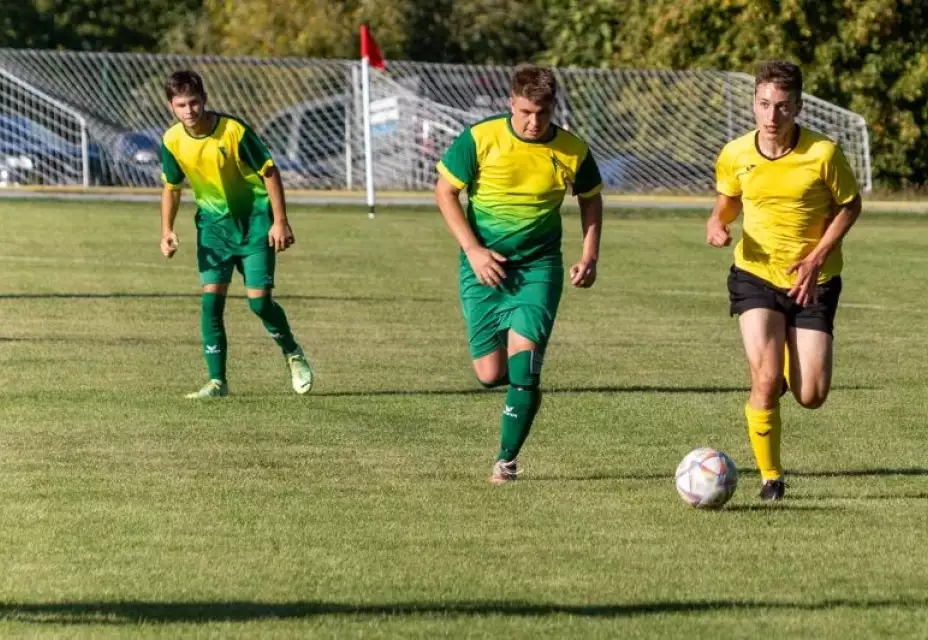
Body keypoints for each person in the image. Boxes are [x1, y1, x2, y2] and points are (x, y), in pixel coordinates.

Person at [434, 64, 604, 484]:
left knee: (525, 369)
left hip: (538, 267)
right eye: (526, 111)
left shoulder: (572, 150)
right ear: (511, 103)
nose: (533, 122)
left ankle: (506, 462)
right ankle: (519, 383)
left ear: (553, 108)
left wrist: (589, 254)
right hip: (483, 269)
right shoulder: (480, 139)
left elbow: (590, 200)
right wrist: (473, 250)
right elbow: (444, 191)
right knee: (490, 374)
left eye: (542, 113)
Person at [706, 60, 862, 500]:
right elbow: (727, 201)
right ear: (754, 103)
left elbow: (850, 206)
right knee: (766, 381)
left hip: (815, 280)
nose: (772, 117)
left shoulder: (824, 154)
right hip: (755, 274)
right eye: (763, 105)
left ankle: (788, 375)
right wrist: (717, 223)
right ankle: (771, 478)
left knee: (812, 395)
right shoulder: (736, 153)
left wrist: (816, 258)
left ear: (797, 107)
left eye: (782, 107)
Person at [159, 70, 314, 399]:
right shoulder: (171, 140)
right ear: (171, 106)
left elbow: (270, 172)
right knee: (210, 303)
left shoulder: (233, 131)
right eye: (181, 105)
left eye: (194, 103)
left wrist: (280, 221)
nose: (190, 111)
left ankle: (293, 352)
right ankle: (217, 382)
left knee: (259, 304)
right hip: (213, 230)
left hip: (255, 223)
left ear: (205, 99)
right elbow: (172, 187)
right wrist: (167, 230)